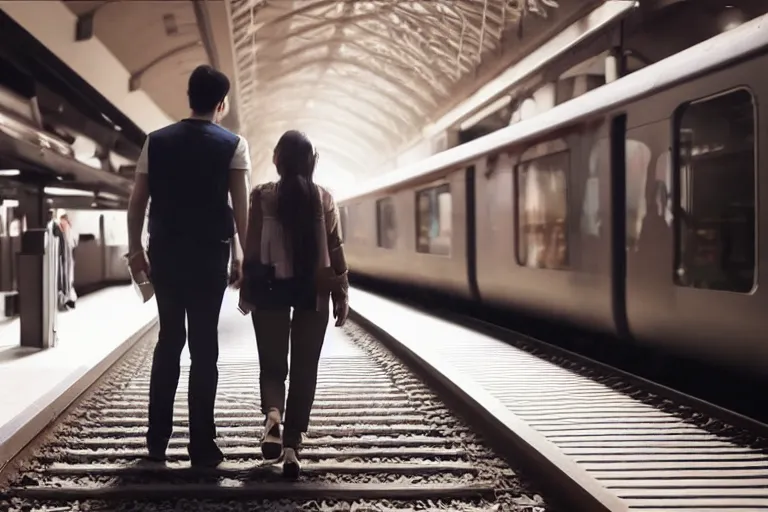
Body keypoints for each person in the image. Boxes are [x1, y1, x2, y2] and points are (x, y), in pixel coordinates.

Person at [125, 65, 251, 467]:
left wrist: (135, 251)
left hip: (165, 254)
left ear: (188, 97)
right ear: (221, 104)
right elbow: (242, 212)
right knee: (203, 347)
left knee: (169, 341)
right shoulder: (233, 144)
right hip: (209, 258)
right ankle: (201, 444)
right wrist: (245, 259)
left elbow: (137, 204)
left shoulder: (155, 142)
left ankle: (157, 439)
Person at [239, 130, 349, 479]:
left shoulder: (260, 197)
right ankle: (291, 448)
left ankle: (273, 414)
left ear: (276, 161)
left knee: (273, 366)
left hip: (270, 290)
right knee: (305, 369)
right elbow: (335, 248)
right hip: (312, 293)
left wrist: (248, 290)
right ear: (312, 163)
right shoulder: (325, 199)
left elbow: (251, 248)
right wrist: (341, 292)